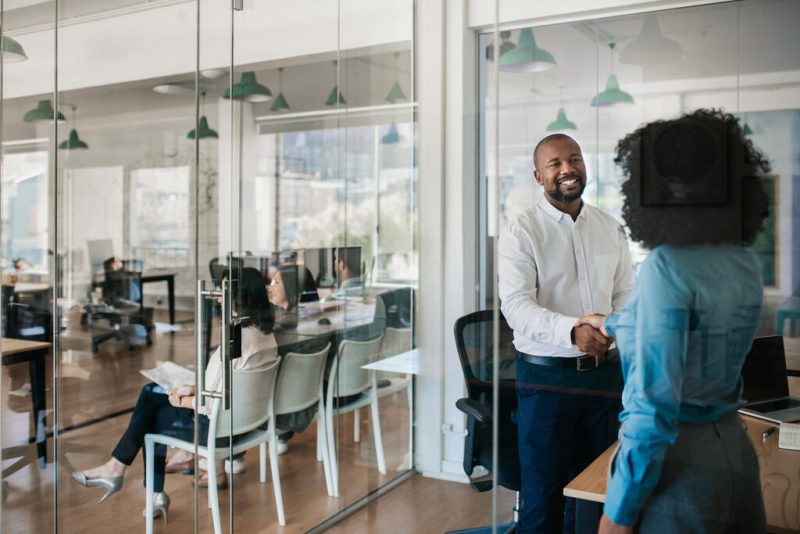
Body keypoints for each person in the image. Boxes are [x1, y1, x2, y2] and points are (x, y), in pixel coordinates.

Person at [576, 109, 770, 534]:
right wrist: (612, 324)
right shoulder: (744, 262)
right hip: (735, 454)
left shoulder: (667, 267)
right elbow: (693, 332)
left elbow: (652, 410)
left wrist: (617, 515)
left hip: (681, 472)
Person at [498, 133, 634, 533]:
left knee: (596, 493)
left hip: (605, 376)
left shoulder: (611, 228)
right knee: (543, 500)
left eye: (574, 159)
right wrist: (572, 332)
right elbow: (516, 306)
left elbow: (625, 294)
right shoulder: (521, 232)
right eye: (555, 164)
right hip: (546, 382)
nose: (567, 169)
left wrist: (612, 330)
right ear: (539, 176)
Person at [72, 267, 278, 520]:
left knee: (152, 419)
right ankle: (125, 474)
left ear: (240, 295)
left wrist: (183, 399)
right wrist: (193, 389)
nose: (219, 296)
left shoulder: (235, 336)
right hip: (248, 425)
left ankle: (143, 486)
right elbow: (230, 385)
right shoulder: (266, 334)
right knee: (151, 392)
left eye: (224, 290)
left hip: (220, 431)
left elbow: (212, 405)